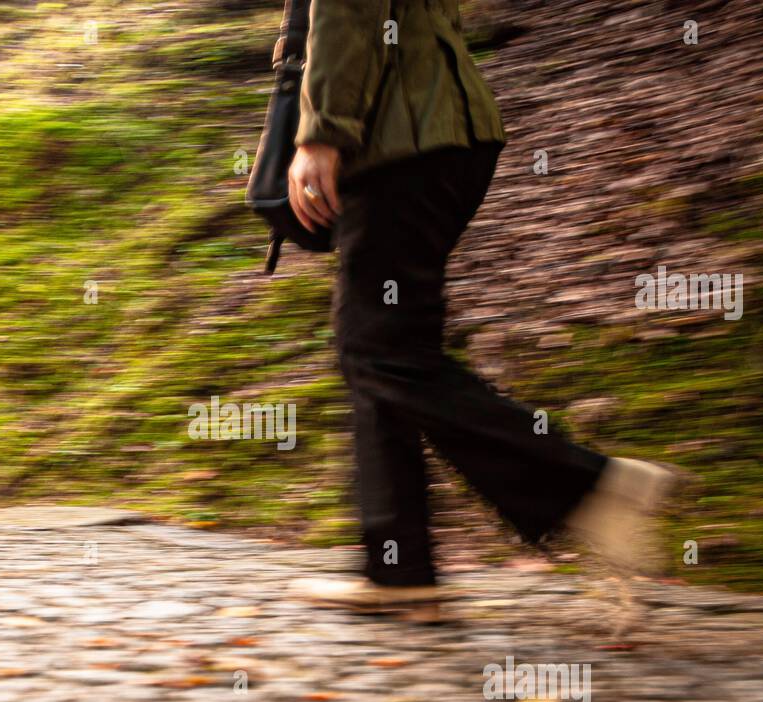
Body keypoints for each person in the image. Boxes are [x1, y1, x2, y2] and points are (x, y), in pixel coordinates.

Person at [286, 0, 677, 619]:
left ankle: (591, 486)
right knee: (382, 352)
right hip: (444, 132)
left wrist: (322, 130)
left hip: (401, 138)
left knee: (381, 353)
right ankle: (397, 568)